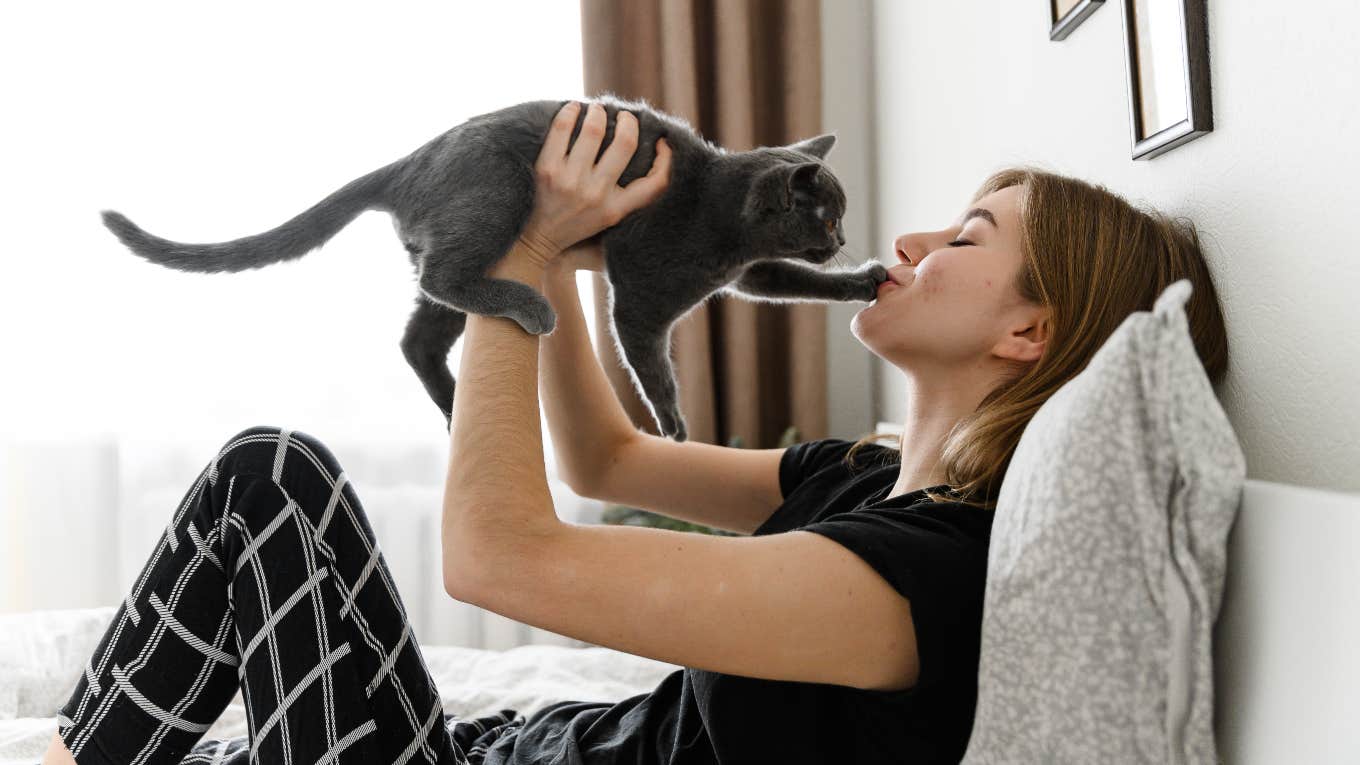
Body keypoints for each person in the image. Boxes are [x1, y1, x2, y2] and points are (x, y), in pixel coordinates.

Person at [43, 97, 1230, 764]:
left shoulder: (920, 578)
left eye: (967, 239)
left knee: (272, 483)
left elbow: (500, 559)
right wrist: (580, 249)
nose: (910, 243)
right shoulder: (858, 483)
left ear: (1030, 335)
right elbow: (606, 464)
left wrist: (509, 268)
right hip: (503, 753)